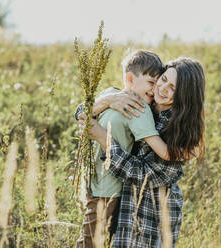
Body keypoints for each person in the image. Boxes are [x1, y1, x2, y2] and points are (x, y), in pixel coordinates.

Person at [82, 57, 206, 247]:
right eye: (163, 80)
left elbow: (143, 175)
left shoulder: (179, 130)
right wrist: (109, 99)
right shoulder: (143, 101)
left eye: (174, 88)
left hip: (151, 212)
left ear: (185, 95)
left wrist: (104, 139)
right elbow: (80, 114)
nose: (163, 89)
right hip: (118, 197)